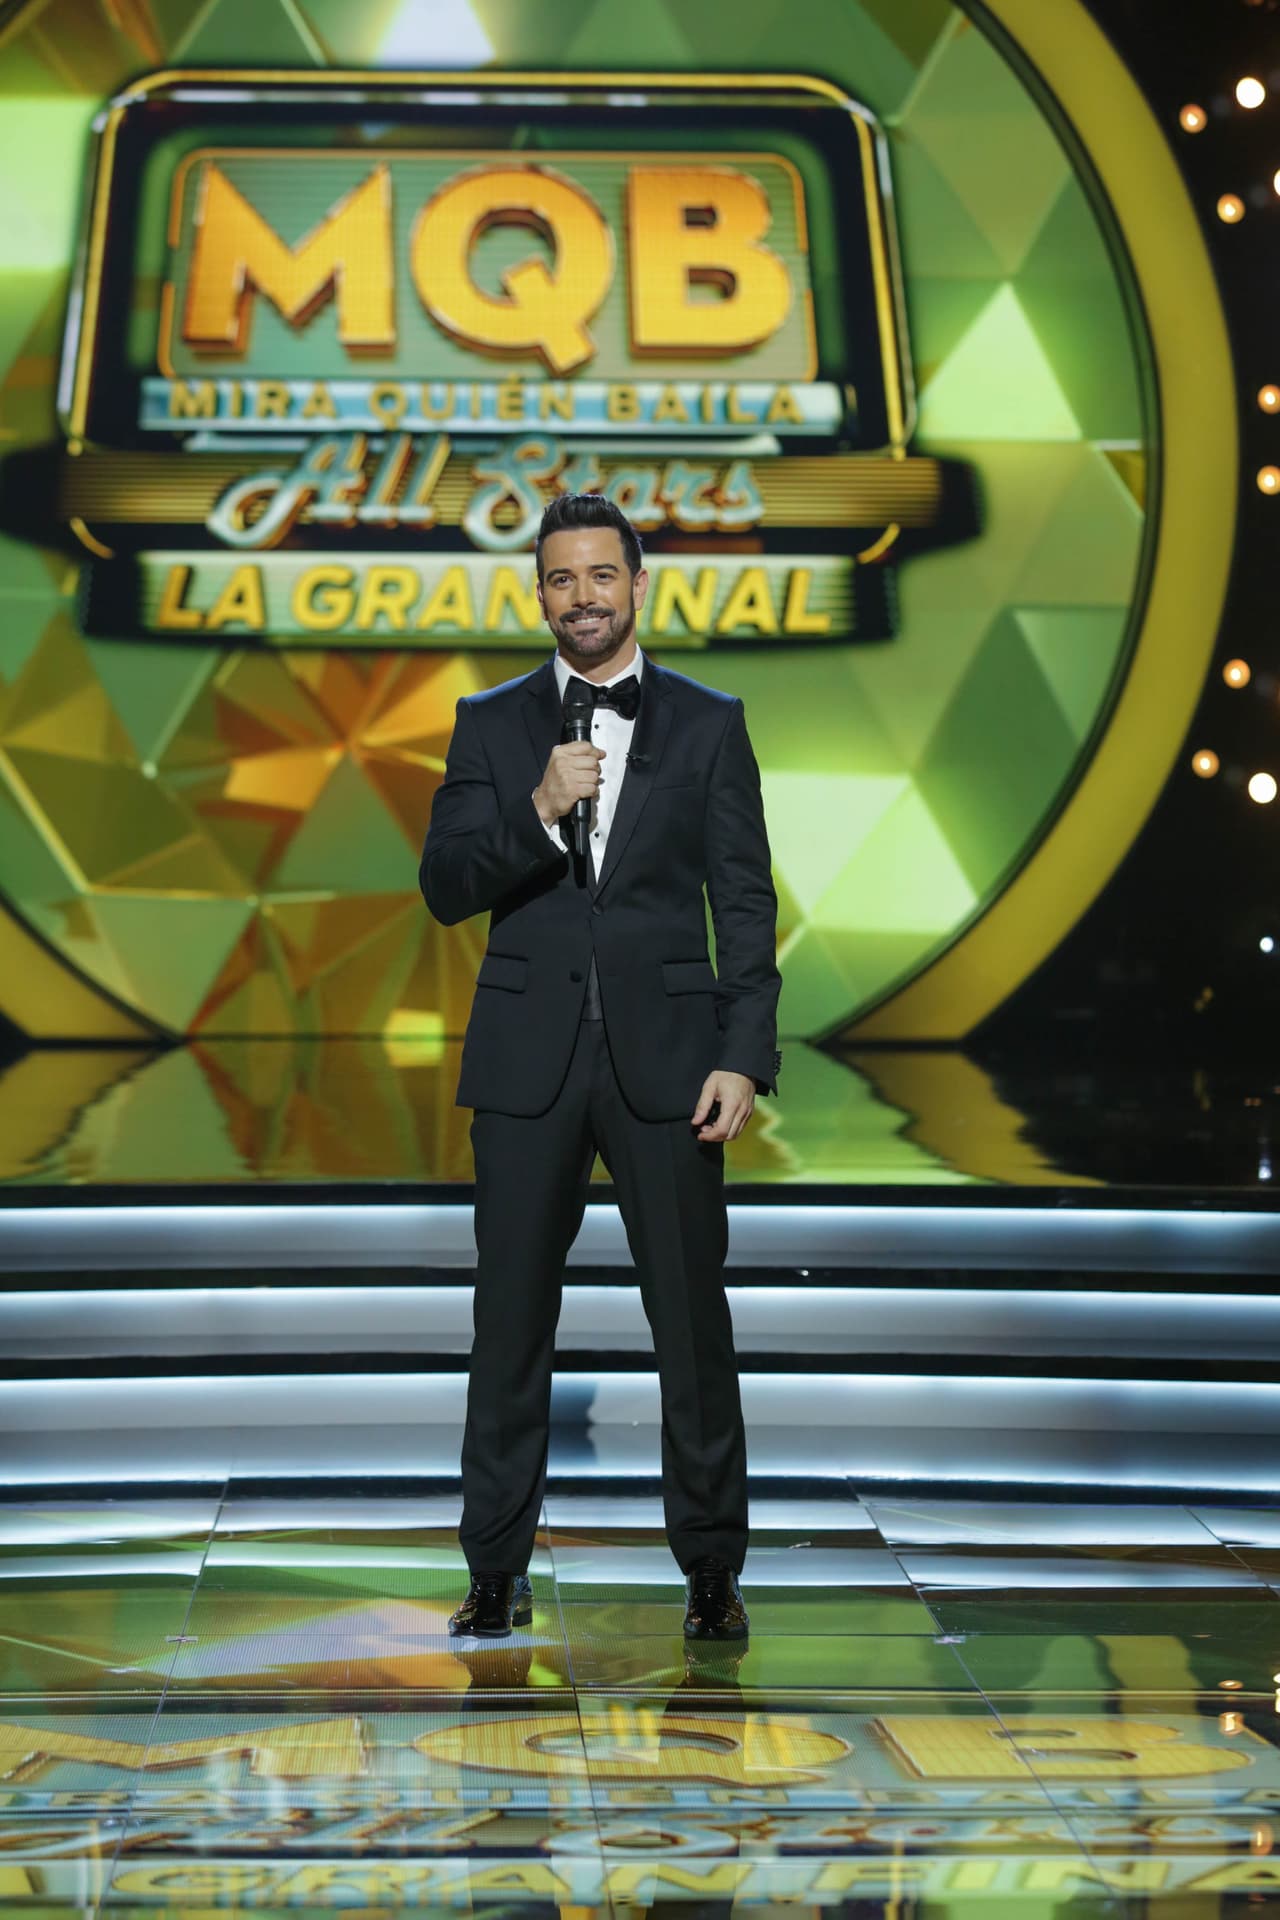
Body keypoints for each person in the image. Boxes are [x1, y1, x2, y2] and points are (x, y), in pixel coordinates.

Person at [419, 493, 781, 1641]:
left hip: (669, 1065)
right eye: (561, 579)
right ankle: (492, 1568)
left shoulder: (709, 723)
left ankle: (711, 1569)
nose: (582, 598)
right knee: (508, 1326)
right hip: (524, 1066)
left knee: (691, 1325)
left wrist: (742, 1055)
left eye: (600, 575)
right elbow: (444, 886)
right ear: (539, 593)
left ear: (637, 584)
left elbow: (744, 903)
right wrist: (536, 808)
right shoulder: (489, 723)